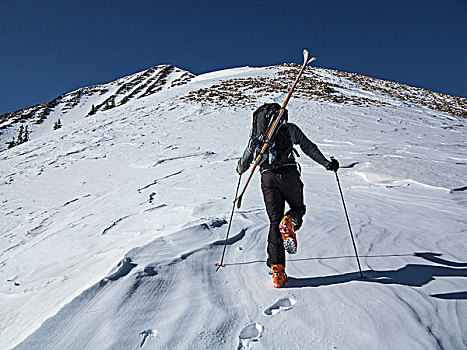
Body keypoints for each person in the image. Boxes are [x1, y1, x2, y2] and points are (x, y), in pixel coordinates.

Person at [236, 103, 339, 288]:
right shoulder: (289, 129)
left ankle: (277, 272)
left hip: (267, 178)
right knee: (298, 208)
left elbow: (244, 163)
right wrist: (327, 164)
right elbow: (309, 147)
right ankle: (290, 221)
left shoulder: (258, 137)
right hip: (289, 175)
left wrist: (239, 168)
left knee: (274, 222)